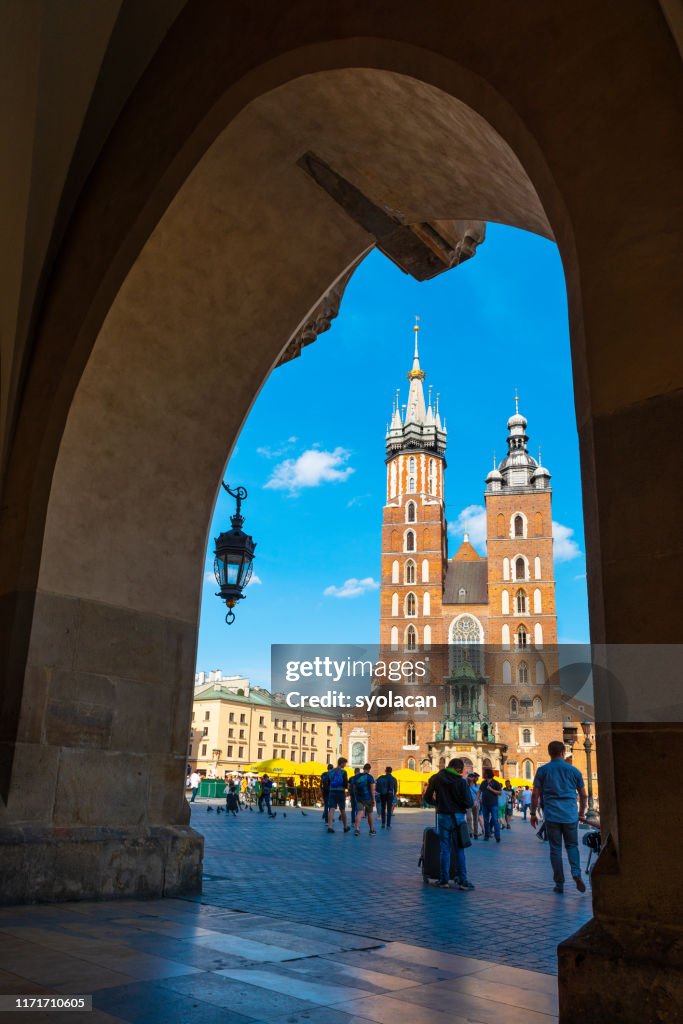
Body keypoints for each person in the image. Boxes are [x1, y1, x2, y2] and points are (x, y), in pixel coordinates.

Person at [531, 740, 588, 894]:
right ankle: (576, 874)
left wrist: (532, 813)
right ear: (563, 752)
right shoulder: (574, 771)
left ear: (550, 753)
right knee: (572, 846)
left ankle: (559, 884)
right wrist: (581, 813)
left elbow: (535, 793)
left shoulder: (543, 771)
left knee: (555, 849)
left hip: (552, 815)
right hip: (570, 815)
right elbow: (583, 795)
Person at [423, 758, 475, 890]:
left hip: (443, 816)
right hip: (457, 817)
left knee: (444, 849)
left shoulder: (436, 778)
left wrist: (438, 804)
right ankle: (463, 881)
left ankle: (444, 880)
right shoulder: (461, 782)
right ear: (459, 769)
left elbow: (427, 797)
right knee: (459, 849)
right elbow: (469, 803)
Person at [327, 757, 350, 833]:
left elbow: (328, 782)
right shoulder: (344, 772)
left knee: (331, 809)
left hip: (332, 791)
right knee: (342, 809)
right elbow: (345, 784)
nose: (345, 765)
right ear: (342, 763)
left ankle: (330, 826)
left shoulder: (331, 772)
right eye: (345, 763)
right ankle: (345, 827)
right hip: (340, 792)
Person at [353, 763, 377, 836]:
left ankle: (357, 829)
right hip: (368, 798)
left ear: (363, 769)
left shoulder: (357, 777)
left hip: (359, 798)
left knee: (359, 813)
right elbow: (372, 790)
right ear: (369, 769)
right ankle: (371, 830)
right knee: (369, 814)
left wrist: (355, 796)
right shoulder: (370, 777)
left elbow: (353, 787)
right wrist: (373, 800)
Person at [479, 768, 502, 842]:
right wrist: (477, 799)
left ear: (488, 774)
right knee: (485, 820)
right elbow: (479, 791)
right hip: (484, 804)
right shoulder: (483, 783)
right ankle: (487, 835)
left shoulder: (496, 783)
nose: (483, 774)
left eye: (485, 773)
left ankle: (497, 836)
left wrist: (491, 789)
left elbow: (500, 792)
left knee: (495, 820)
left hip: (493, 804)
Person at [466, 773, 481, 838]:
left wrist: (472, 785)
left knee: (476, 818)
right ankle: (470, 832)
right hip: (468, 803)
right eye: (470, 776)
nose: (472, 778)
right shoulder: (466, 784)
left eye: (473, 777)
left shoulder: (477, 785)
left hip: (476, 803)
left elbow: (478, 792)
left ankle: (476, 833)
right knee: (469, 817)